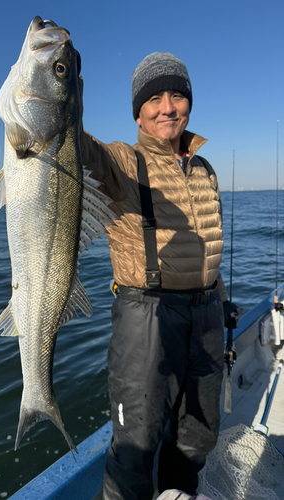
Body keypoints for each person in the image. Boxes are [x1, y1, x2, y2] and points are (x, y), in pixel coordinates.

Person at [80, 52, 240, 500]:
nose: (167, 107)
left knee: (197, 439)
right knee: (135, 448)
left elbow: (208, 249)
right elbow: (80, 149)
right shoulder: (123, 163)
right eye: (154, 98)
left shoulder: (204, 168)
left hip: (207, 315)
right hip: (145, 317)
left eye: (177, 95)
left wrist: (221, 302)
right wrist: (58, 92)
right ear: (138, 110)